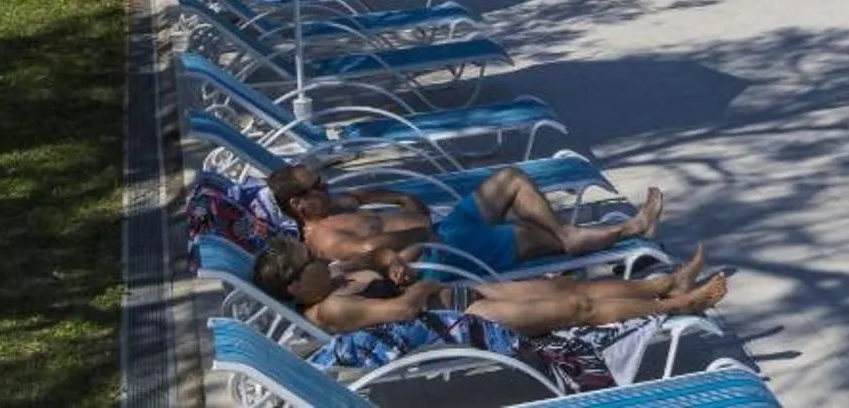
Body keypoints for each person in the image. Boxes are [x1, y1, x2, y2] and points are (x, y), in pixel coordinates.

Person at [251, 237, 729, 335]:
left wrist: (392, 263)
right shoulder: (330, 309)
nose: (319, 257)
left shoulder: (332, 277)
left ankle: (665, 283)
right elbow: (402, 313)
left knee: (563, 288)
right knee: (577, 308)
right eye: (309, 261)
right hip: (458, 325)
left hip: (457, 299)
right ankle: (676, 305)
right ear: (295, 288)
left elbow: (376, 255)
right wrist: (421, 287)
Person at [267, 164, 666, 278]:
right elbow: (373, 252)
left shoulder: (333, 206)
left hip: (444, 231)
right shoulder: (325, 237)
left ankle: (567, 234)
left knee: (510, 179)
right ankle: (630, 231)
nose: (328, 185)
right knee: (527, 234)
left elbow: (371, 198)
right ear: (300, 205)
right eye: (318, 185)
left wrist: (397, 198)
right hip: (439, 257)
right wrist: (418, 231)